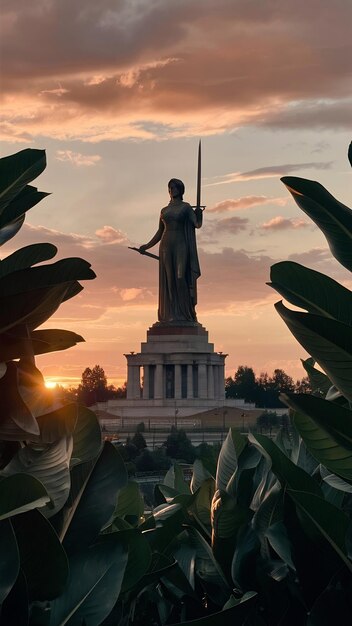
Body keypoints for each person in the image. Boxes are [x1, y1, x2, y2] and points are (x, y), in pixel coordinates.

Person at [139, 178, 203, 322]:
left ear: (181, 190)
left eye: (175, 187)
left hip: (181, 244)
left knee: (180, 277)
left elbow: (197, 224)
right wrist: (146, 246)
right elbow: (160, 232)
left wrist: (199, 214)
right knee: (169, 280)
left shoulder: (186, 207)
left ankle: (186, 313)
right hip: (166, 245)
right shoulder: (164, 210)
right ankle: (172, 315)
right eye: (170, 187)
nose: (172, 190)